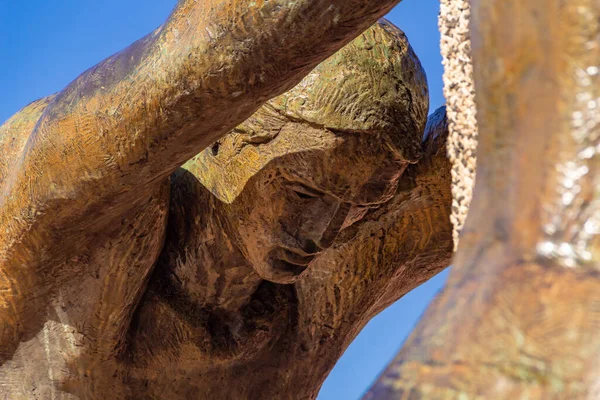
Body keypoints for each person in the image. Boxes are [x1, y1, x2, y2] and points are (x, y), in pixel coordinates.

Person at [0, 14, 451, 400]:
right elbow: (203, 51)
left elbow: (493, 154)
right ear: (227, 134)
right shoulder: (94, 234)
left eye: (358, 204)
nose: (323, 232)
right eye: (302, 193)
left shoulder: (319, 298)